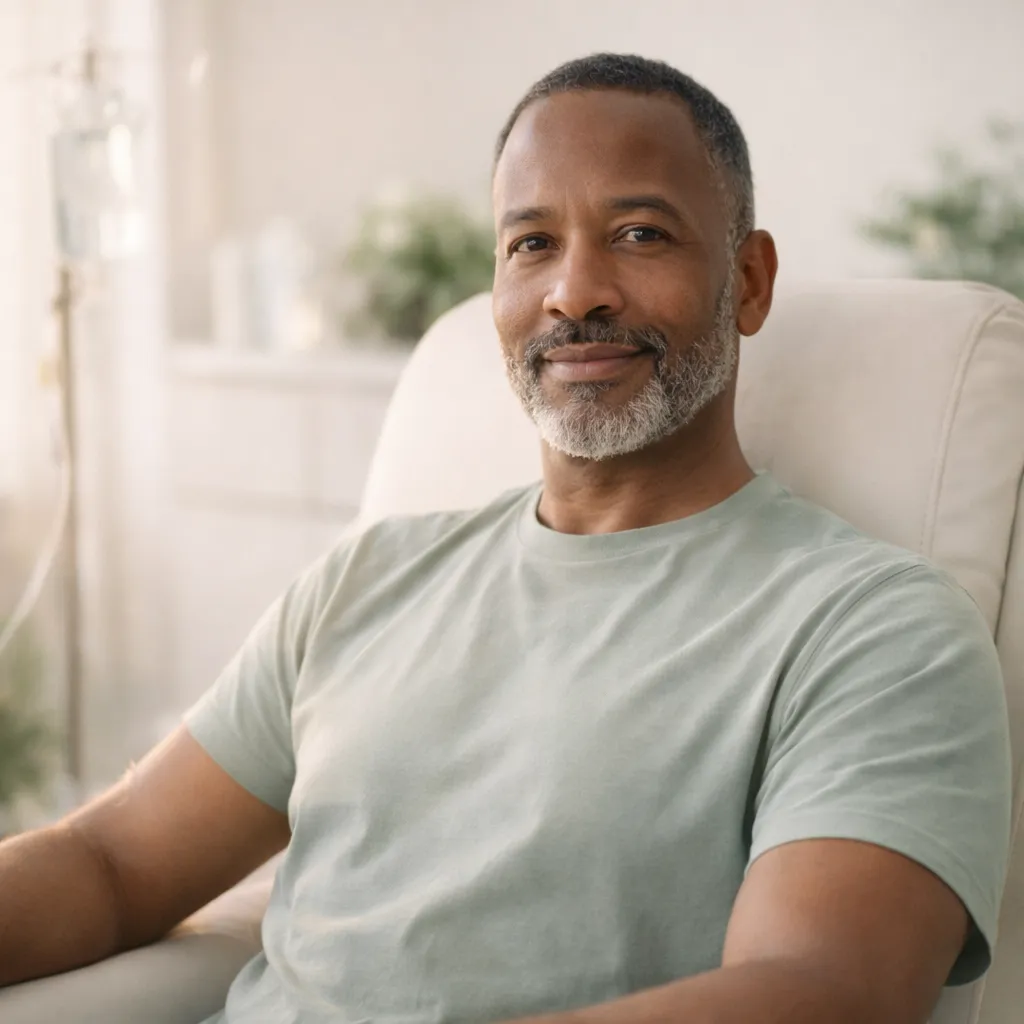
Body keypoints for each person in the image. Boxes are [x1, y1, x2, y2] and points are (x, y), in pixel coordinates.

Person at [0, 53, 1012, 1024]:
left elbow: (823, 991)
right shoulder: (367, 580)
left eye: (640, 233)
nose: (575, 293)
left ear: (747, 281)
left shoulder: (874, 631)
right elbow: (113, 864)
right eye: (530, 243)